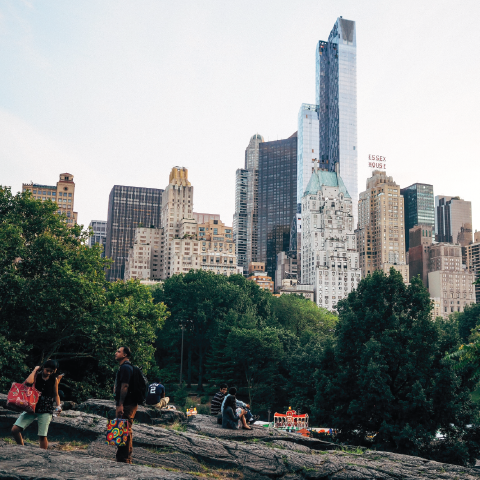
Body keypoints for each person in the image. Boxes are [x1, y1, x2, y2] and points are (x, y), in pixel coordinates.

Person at [11, 360, 64, 450]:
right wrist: (35, 370)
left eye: (51, 371)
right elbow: (28, 382)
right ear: (43, 368)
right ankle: (21, 449)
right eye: (47, 370)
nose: (48, 373)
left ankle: (42, 456)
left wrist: (58, 406)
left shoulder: (53, 379)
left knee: (42, 435)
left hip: (46, 410)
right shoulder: (36, 376)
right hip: (31, 407)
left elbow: (56, 394)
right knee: (15, 429)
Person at [114, 346, 137, 464]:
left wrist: (120, 404)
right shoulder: (125, 367)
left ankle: (125, 458)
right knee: (123, 428)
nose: (116, 353)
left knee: (125, 429)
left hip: (127, 404)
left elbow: (125, 386)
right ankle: (123, 456)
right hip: (127, 403)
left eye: (118, 351)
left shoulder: (126, 368)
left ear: (125, 355)